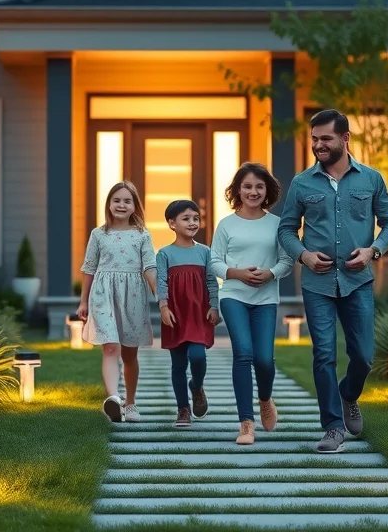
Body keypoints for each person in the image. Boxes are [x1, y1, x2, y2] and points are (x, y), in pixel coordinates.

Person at [277, 109, 388, 454]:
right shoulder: (302, 183)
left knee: (362, 356)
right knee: (324, 355)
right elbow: (286, 229)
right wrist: (303, 255)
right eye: (314, 139)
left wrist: (373, 250)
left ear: (344, 139)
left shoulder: (371, 179)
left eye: (325, 138)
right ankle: (332, 427)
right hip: (317, 284)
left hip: (357, 280)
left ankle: (348, 394)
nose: (318, 145)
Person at [210, 162, 294, 445]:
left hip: (266, 298)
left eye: (259, 186)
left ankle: (266, 398)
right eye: (247, 186)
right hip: (233, 295)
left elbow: (287, 260)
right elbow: (215, 261)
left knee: (264, 360)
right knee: (243, 353)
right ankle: (246, 423)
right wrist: (237, 274)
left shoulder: (277, 223)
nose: (253, 191)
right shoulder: (226, 224)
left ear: (267, 190)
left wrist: (270, 273)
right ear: (237, 190)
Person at [78, 180, 158, 423]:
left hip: (132, 296)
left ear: (135, 207)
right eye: (116, 200)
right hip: (103, 295)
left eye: (127, 201)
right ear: (109, 204)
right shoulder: (98, 234)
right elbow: (89, 268)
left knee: (130, 354)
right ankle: (113, 398)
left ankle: (130, 403)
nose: (121, 205)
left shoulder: (142, 235)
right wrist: (83, 302)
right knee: (110, 347)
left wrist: (161, 297)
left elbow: (150, 267)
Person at [156, 200, 220, 428]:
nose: (192, 222)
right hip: (175, 312)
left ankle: (197, 386)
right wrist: (163, 307)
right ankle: (183, 408)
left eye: (195, 218)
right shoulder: (164, 253)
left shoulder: (205, 252)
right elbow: (161, 282)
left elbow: (212, 281)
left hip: (198, 312)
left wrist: (214, 306)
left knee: (198, 356)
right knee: (178, 363)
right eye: (186, 218)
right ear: (172, 223)